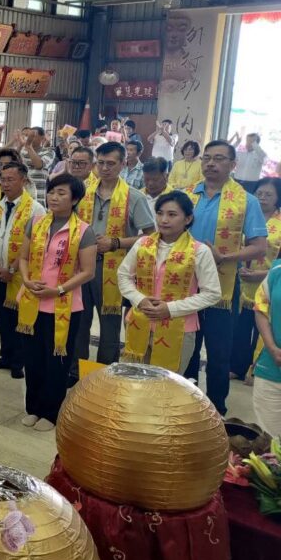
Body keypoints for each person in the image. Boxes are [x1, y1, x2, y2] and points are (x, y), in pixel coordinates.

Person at [183, 140, 268, 415]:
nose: (210, 163)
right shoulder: (186, 196)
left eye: (219, 158)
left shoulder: (246, 200)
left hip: (224, 286)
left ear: (233, 165)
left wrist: (223, 257)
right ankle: (184, 402)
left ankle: (215, 408)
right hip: (184, 284)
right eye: (206, 158)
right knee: (186, 346)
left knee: (219, 352)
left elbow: (259, 246)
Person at [17, 174, 96, 430]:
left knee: (57, 360)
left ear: (74, 199)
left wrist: (59, 289)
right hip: (33, 300)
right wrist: (27, 281)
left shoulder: (84, 231)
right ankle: (33, 407)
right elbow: (24, 258)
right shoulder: (36, 222)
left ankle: (51, 412)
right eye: (52, 192)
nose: (54, 197)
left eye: (62, 193)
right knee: (33, 357)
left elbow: (88, 271)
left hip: (64, 305)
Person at [74, 142, 156, 370]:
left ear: (123, 164)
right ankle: (75, 370)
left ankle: (104, 375)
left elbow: (151, 238)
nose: (105, 168)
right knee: (79, 321)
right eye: (100, 163)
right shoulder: (83, 192)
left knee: (109, 328)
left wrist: (116, 242)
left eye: (111, 163)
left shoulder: (134, 197)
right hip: (82, 266)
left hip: (114, 269)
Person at [119, 191, 222, 372]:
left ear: (188, 219)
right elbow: (123, 275)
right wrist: (140, 300)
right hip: (139, 322)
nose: (164, 220)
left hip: (178, 329)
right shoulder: (143, 244)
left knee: (165, 390)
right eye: (160, 213)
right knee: (134, 383)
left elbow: (212, 293)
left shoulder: (199, 251)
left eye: (172, 214)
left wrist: (170, 309)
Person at [0, 161, 44, 379]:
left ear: (24, 181)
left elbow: (32, 247)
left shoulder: (35, 210)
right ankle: (6, 355)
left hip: (21, 276)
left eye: (11, 179)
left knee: (19, 319)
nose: (5, 184)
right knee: (3, 317)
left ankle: (19, 360)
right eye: (2, 179)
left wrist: (12, 269)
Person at [234, 177, 281, 381]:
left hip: (268, 282)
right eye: (259, 193)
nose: (262, 198)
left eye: (268, 194)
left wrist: (262, 274)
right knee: (240, 328)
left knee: (264, 329)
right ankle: (237, 366)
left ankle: (256, 368)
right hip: (242, 281)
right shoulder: (245, 216)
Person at [251, 263, 281, 436]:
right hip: (272, 370)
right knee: (270, 444)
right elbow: (261, 307)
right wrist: (271, 347)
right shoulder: (276, 271)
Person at [19, 127, 56, 206]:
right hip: (22, 195)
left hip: (38, 198)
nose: (29, 138)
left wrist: (28, 146)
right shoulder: (22, 151)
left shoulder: (49, 152)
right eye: (28, 135)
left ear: (42, 138)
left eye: (33, 136)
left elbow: (38, 165)